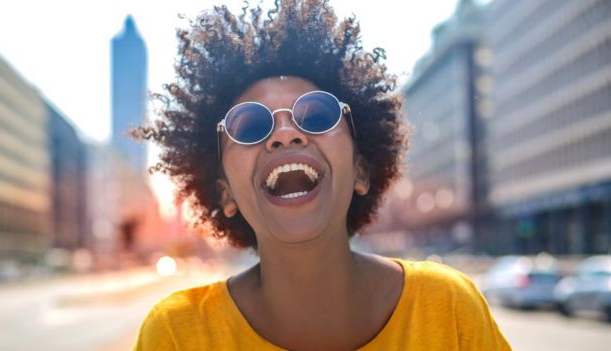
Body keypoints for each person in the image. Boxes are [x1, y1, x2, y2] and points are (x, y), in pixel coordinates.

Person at [133, 0, 511, 350]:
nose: (285, 134)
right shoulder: (176, 334)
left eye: (315, 115)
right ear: (226, 194)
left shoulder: (449, 307)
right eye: (248, 126)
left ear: (361, 171)